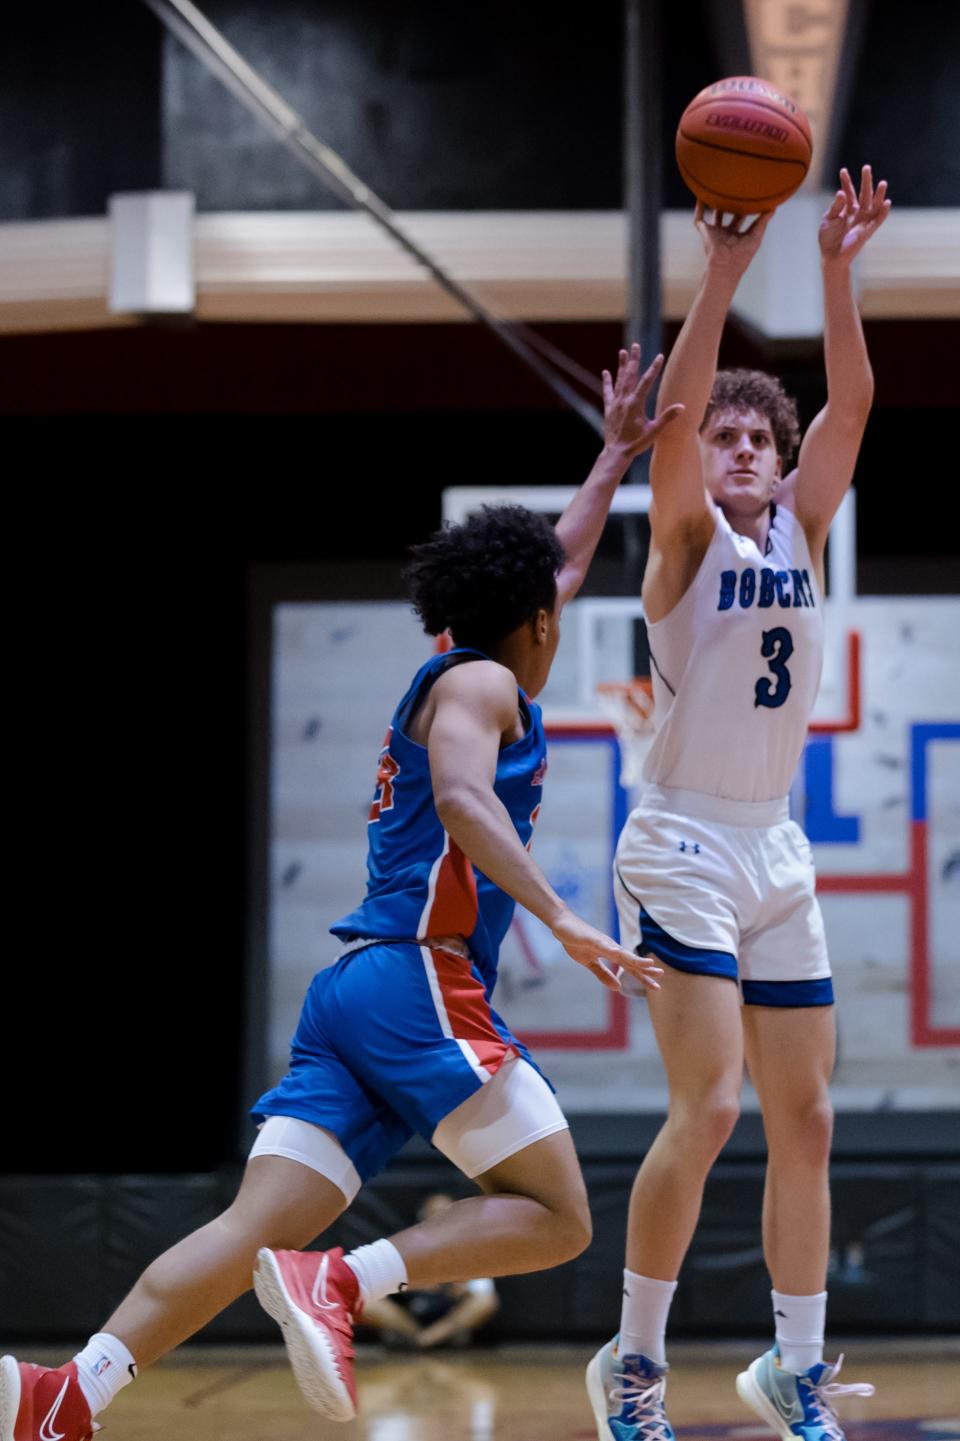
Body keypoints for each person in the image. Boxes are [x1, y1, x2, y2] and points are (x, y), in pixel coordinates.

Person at [1, 344, 680, 1441]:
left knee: (246, 1229)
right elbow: (463, 799)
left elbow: (550, 566)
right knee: (560, 1215)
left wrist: (609, 458)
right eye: (554, 598)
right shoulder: (483, 680)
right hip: (418, 977)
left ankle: (64, 1396)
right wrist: (563, 918)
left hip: (351, 992)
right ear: (541, 623)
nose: (562, 600)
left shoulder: (465, 656)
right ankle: (347, 1279)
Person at [586, 166, 890, 1441]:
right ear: (699, 461)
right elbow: (678, 421)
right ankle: (636, 1365)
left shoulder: (803, 535)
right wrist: (722, 270)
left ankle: (793, 1368)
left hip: (774, 845)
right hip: (681, 842)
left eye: (761, 436)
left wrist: (832, 269)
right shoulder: (684, 543)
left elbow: (856, 402)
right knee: (710, 1107)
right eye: (727, 437)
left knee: (804, 1116)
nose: (749, 447)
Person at [358, 1193, 500, 1350]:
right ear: (423, 1217)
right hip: (408, 1314)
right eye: (434, 1213)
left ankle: (428, 1340)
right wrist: (411, 1285)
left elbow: (484, 1294)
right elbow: (376, 1283)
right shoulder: (403, 1244)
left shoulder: (469, 1247)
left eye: (446, 1213)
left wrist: (462, 1289)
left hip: (447, 1314)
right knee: (364, 1302)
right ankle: (416, 1336)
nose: (440, 1218)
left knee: (484, 1302)